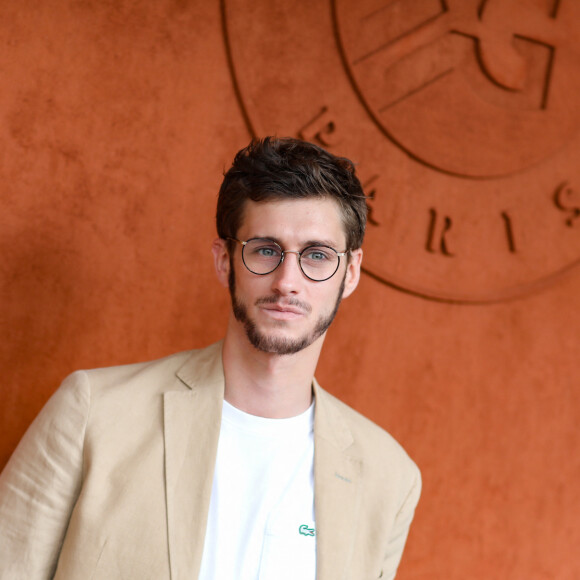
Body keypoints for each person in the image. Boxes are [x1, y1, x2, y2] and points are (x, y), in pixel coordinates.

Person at [0, 137, 421, 580]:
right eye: (265, 250)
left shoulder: (389, 478)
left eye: (317, 256)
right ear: (225, 261)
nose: (287, 282)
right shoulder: (93, 412)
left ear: (350, 273)